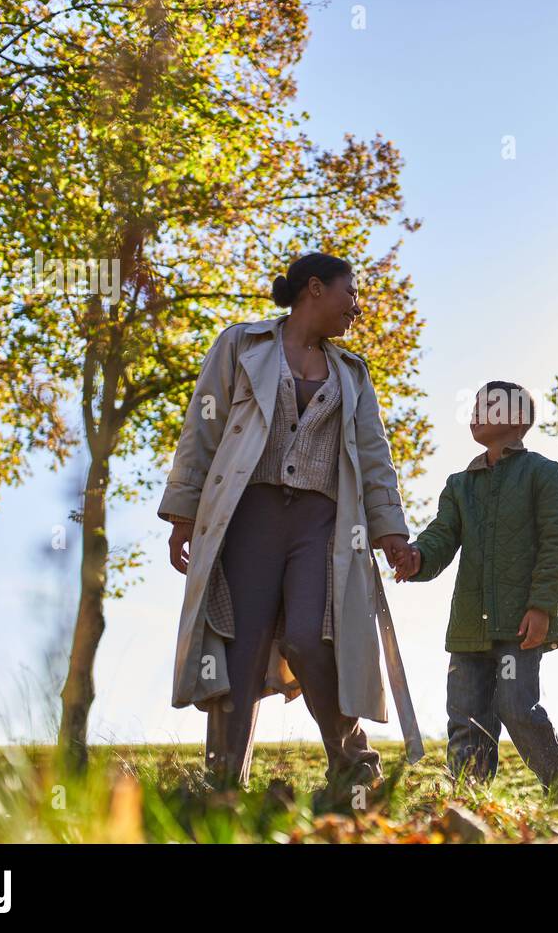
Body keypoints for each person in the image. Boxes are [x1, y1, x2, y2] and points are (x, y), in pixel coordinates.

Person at [158, 252, 416, 795]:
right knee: (241, 648)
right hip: (248, 516)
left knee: (309, 637)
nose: (357, 308)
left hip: (322, 524)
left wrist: (390, 529)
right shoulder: (241, 346)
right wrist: (183, 512)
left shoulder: (352, 373)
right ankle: (224, 783)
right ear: (315, 289)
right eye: (351, 294)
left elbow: (374, 457)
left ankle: (352, 767)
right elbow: (202, 428)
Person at [395, 381, 558, 803]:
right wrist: (417, 558)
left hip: (519, 623)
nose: (476, 413)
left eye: (488, 406)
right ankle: (468, 801)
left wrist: (542, 607)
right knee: (466, 717)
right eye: (475, 406)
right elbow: (441, 537)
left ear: (517, 420)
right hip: (468, 627)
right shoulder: (459, 484)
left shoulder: (542, 473)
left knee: (517, 708)